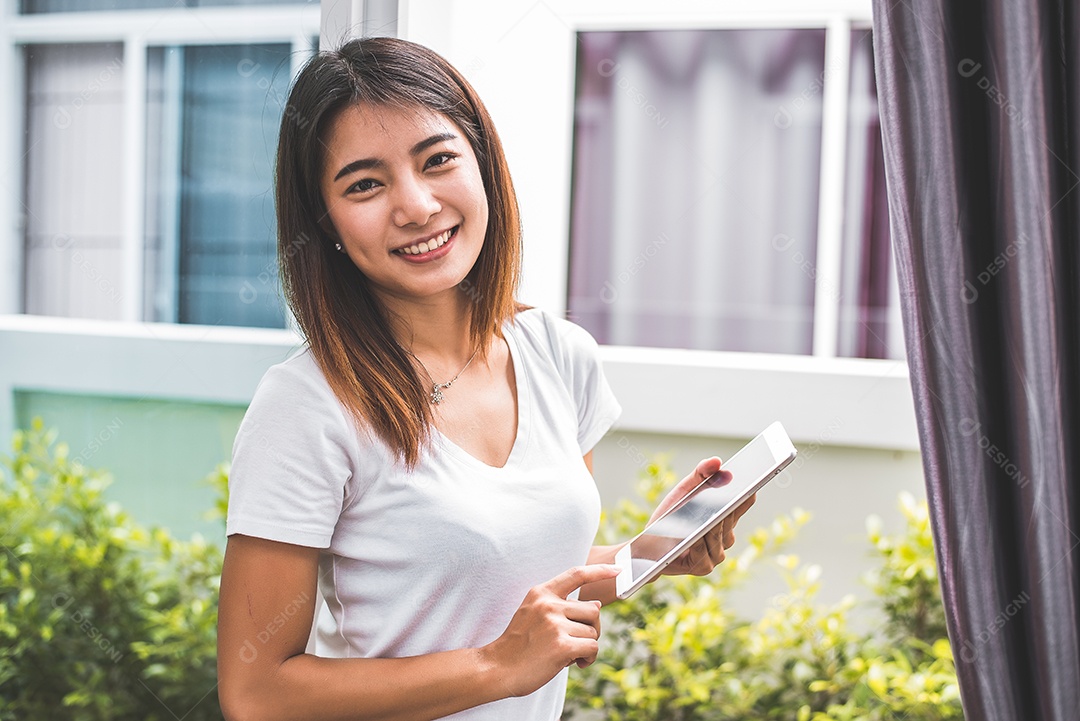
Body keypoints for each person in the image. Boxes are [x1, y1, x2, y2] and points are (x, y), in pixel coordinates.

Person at [216, 36, 755, 721]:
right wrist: (497, 665)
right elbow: (255, 692)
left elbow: (516, 572)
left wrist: (649, 552)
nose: (414, 205)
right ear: (325, 224)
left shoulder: (560, 355)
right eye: (365, 184)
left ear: (483, 163)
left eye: (437, 159)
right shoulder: (305, 407)